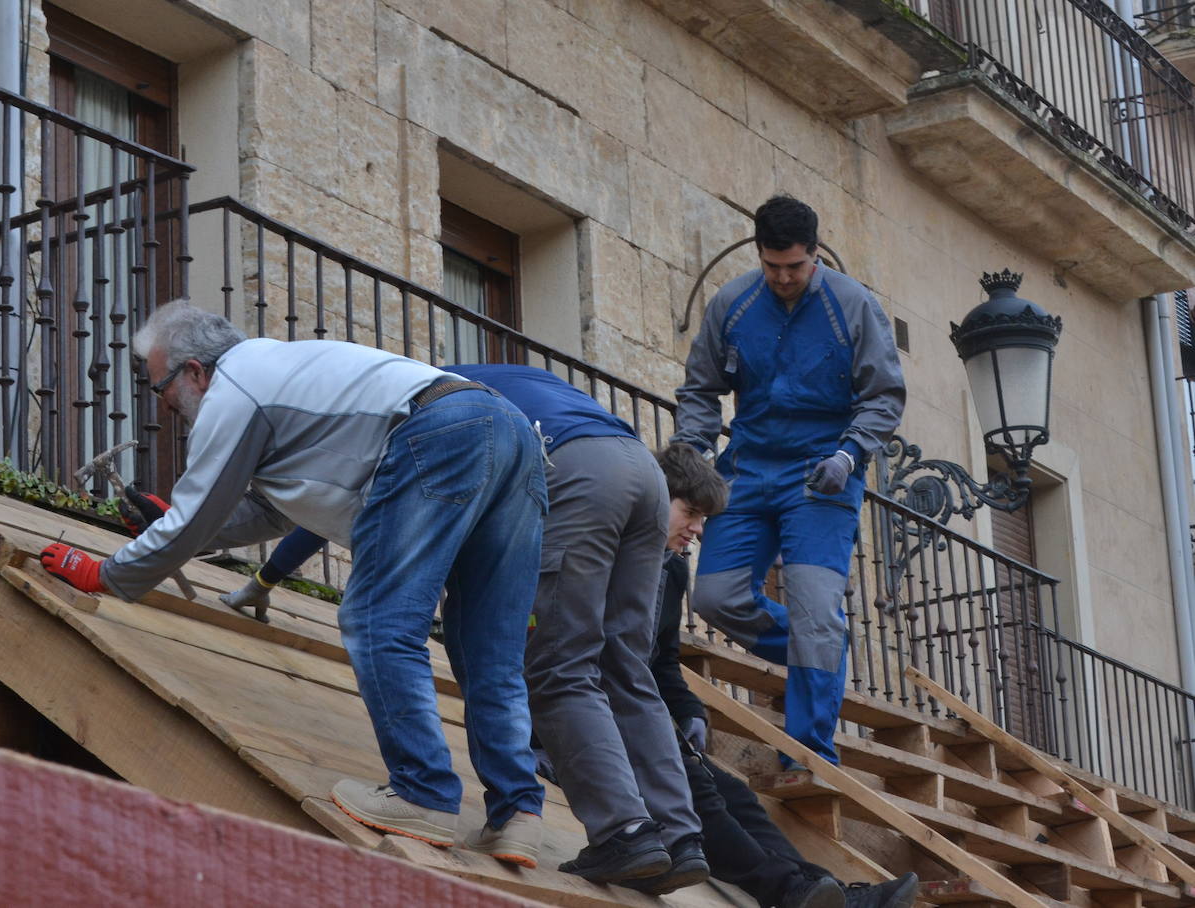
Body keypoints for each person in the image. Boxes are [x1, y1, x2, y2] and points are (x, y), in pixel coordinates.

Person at [37, 301, 547, 864]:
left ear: (195, 372)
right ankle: (516, 813)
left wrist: (105, 573)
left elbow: (195, 516)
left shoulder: (237, 388)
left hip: (440, 431)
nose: (166, 406)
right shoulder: (282, 377)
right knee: (489, 648)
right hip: (512, 433)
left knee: (378, 619)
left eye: (161, 389)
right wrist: (170, 522)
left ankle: (422, 794)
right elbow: (272, 512)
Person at [225, 363, 708, 893]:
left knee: (553, 665)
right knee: (625, 666)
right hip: (640, 469)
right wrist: (268, 578)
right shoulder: (479, 378)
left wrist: (267, 575)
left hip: (577, 472)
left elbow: (331, 506)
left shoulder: (417, 405)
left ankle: (626, 831)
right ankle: (677, 836)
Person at [673, 195, 905, 765]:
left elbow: (883, 396)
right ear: (759, 253)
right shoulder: (732, 302)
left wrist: (849, 457)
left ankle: (807, 750)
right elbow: (701, 390)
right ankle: (816, 647)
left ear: (816, 255)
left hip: (822, 474)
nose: (783, 278)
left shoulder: (853, 307)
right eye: (772, 266)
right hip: (748, 469)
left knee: (815, 606)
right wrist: (696, 452)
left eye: (795, 267)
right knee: (714, 596)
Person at [650, 444, 919, 908]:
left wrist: (689, 709)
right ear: (652, 496)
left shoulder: (670, 570)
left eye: (702, 519)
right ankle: (791, 892)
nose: (696, 531)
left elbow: (662, 661)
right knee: (701, 799)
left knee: (736, 794)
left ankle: (825, 891)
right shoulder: (609, 553)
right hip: (608, 717)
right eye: (690, 513)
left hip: (644, 715)